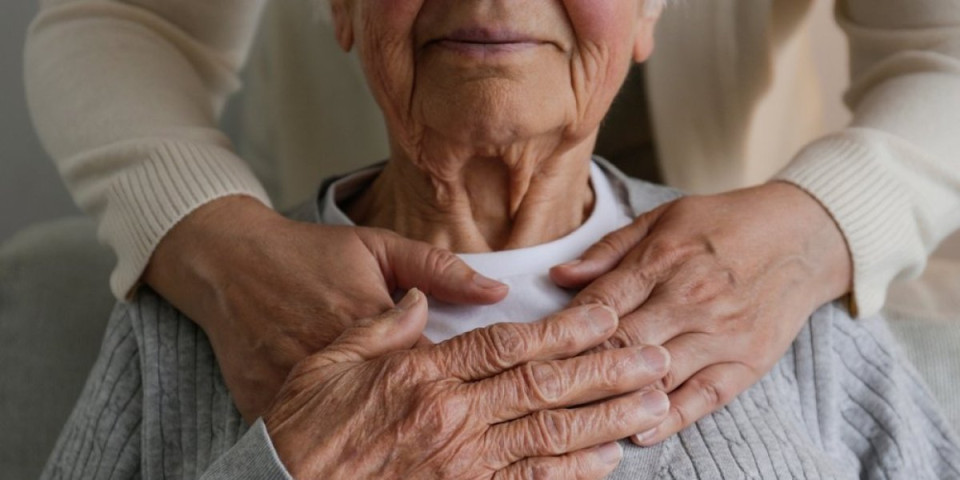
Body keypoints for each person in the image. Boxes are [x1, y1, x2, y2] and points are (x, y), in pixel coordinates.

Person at [42, 0, 960, 478]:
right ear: (344, 10)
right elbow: (125, 17)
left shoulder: (781, 313)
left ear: (649, 15)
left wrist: (819, 229)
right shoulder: (199, 322)